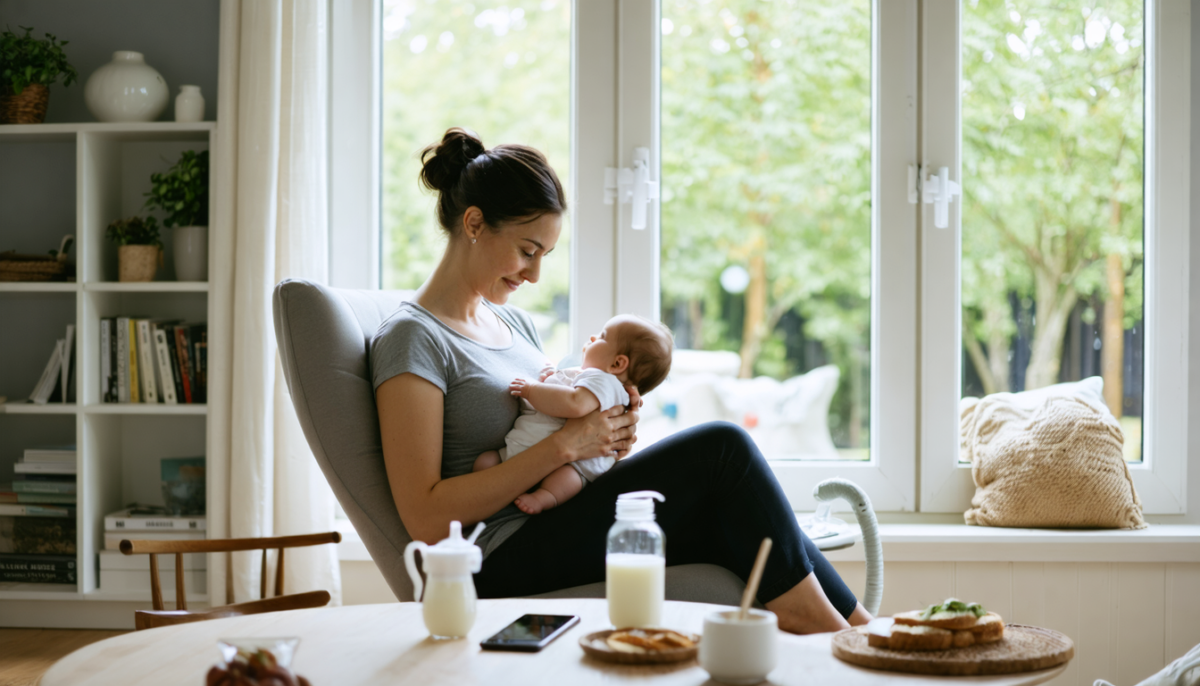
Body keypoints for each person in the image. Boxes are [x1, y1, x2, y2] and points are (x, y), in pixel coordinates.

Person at [371, 127, 872, 634]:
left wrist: (606, 438)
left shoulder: (512, 324)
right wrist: (567, 446)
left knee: (730, 503)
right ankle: (837, 634)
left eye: (544, 255)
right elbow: (427, 521)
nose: (535, 275)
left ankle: (868, 631)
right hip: (493, 557)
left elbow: (558, 419)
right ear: (475, 223)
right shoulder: (414, 337)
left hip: (559, 512)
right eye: (528, 250)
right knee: (722, 448)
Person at [473, 314, 674, 515]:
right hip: (528, 452)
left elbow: (574, 403)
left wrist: (531, 389)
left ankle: (545, 497)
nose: (593, 338)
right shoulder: (595, 379)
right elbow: (562, 394)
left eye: (602, 336)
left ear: (617, 364)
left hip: (566, 462)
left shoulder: (603, 380)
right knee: (488, 463)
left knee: (567, 478)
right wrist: (551, 380)